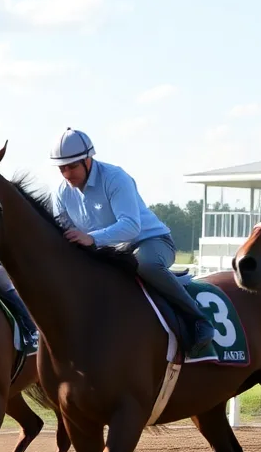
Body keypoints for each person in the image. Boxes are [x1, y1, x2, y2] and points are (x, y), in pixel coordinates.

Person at [49, 127, 215, 357]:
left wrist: (91, 238)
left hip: (152, 242)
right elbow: (66, 234)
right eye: (62, 168)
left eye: (72, 166)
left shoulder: (115, 177)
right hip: (109, 252)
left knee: (145, 264)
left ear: (88, 160)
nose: (67, 174)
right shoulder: (60, 193)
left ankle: (199, 321)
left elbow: (130, 226)